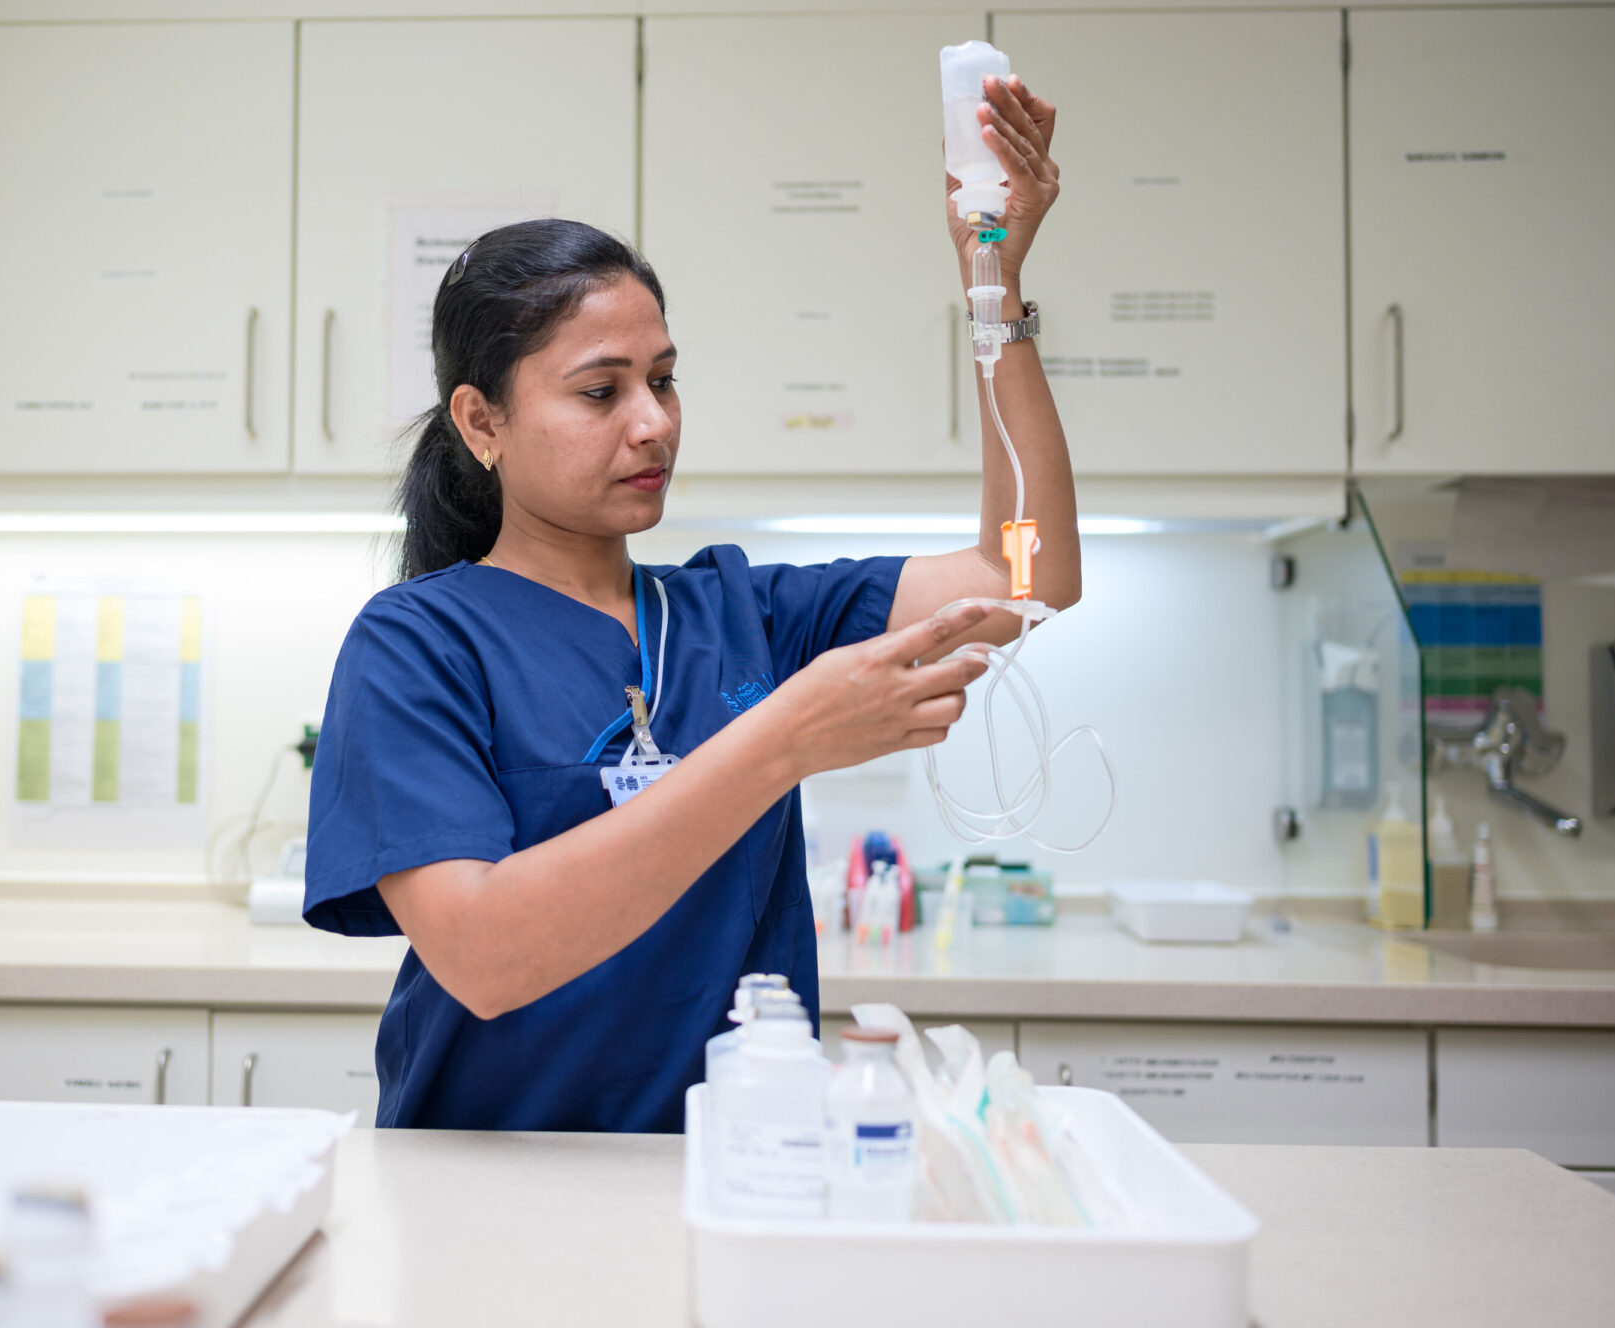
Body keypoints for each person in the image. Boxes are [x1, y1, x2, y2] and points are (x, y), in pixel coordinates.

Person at [305, 74, 1073, 1132]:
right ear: (481, 423)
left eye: (663, 380)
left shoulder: (741, 612)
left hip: (737, 1174)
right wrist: (783, 739)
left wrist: (993, 282)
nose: (653, 423)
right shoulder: (417, 645)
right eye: (600, 389)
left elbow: (1022, 575)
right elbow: (482, 954)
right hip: (489, 1188)